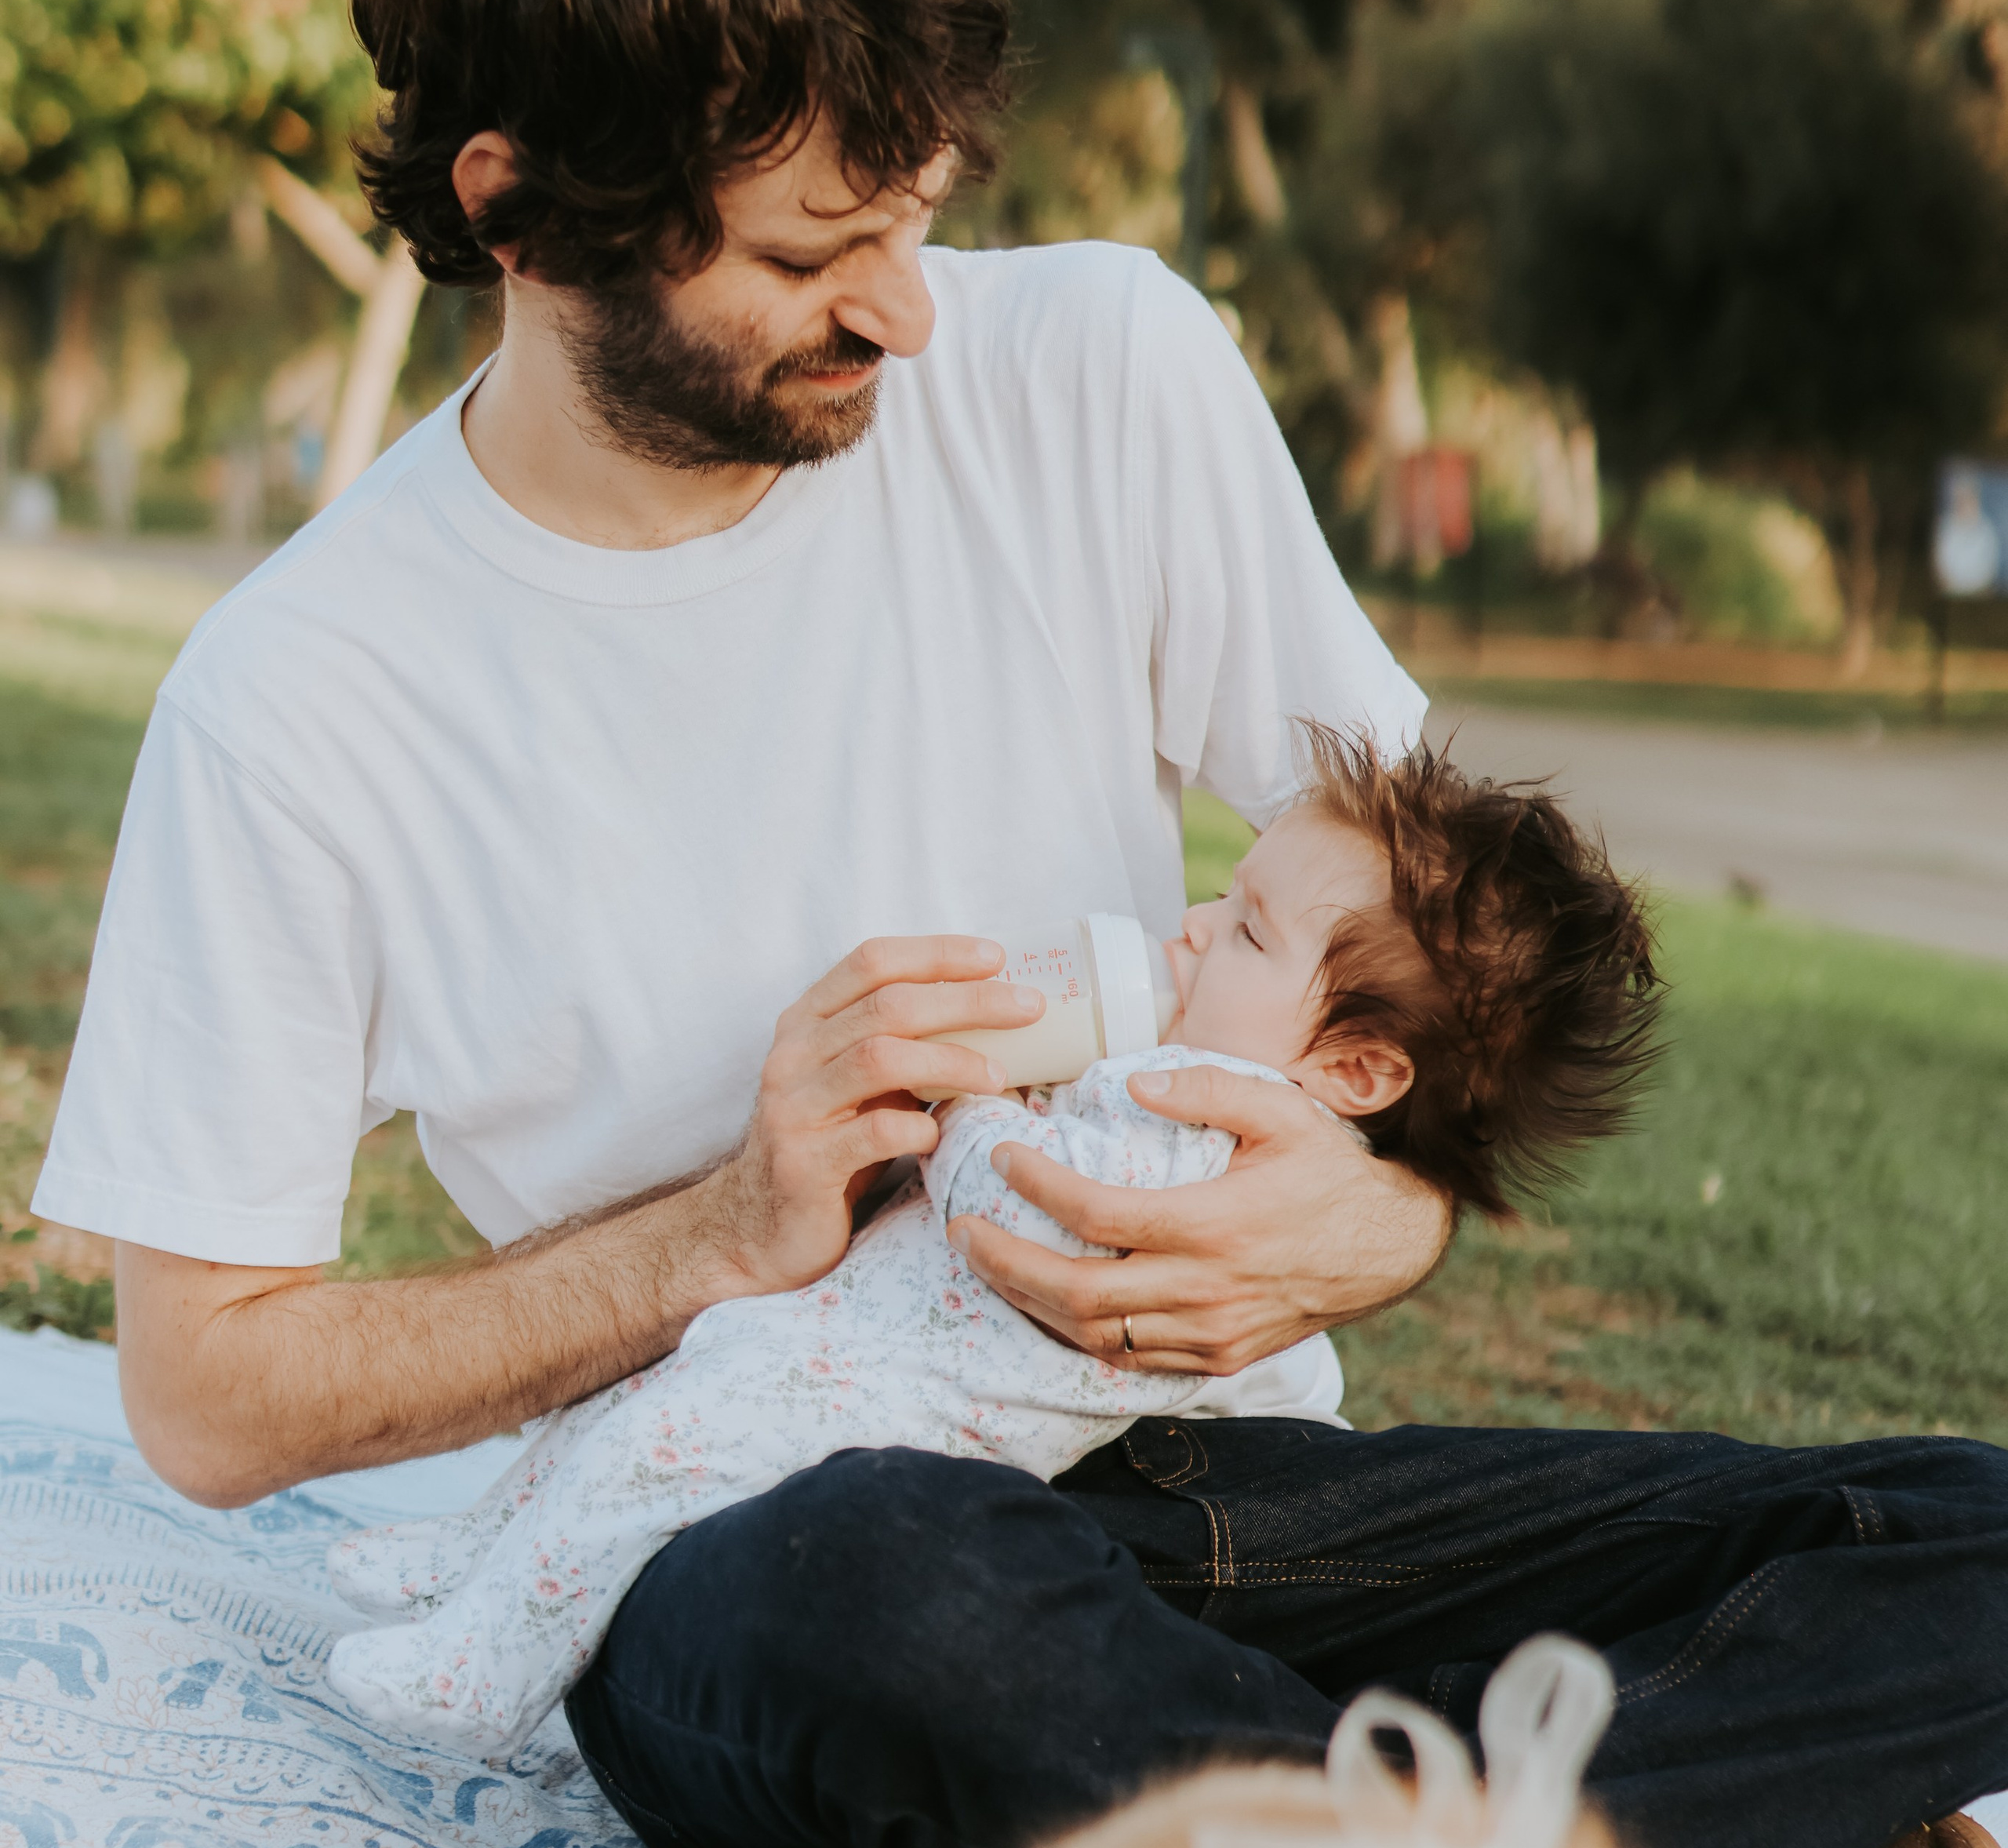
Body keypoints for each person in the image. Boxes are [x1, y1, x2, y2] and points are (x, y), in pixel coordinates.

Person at [35, 0, 2008, 1848]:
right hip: (783, 1551)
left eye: (924, 213)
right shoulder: (305, 696)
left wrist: (1387, 1215)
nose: (906, 310)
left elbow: (1451, 940)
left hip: (1262, 1507)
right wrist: (715, 1234)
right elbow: (209, 1397)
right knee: (906, 1598)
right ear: (513, 209)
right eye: (812, 250)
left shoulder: (1105, 377)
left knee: (1964, 1527)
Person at [317, 733, 1659, 1762]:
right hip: (859, 1336)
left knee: (680, 1441)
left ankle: (490, 1664)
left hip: (911, 1405)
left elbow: (1021, 1213)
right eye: (1224, 890)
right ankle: (477, 1553)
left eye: (1245, 929)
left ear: (1357, 1068)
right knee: (656, 1390)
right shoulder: (1187, 1070)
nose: (1193, 924)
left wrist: (970, 1109)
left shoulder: (1215, 1128)